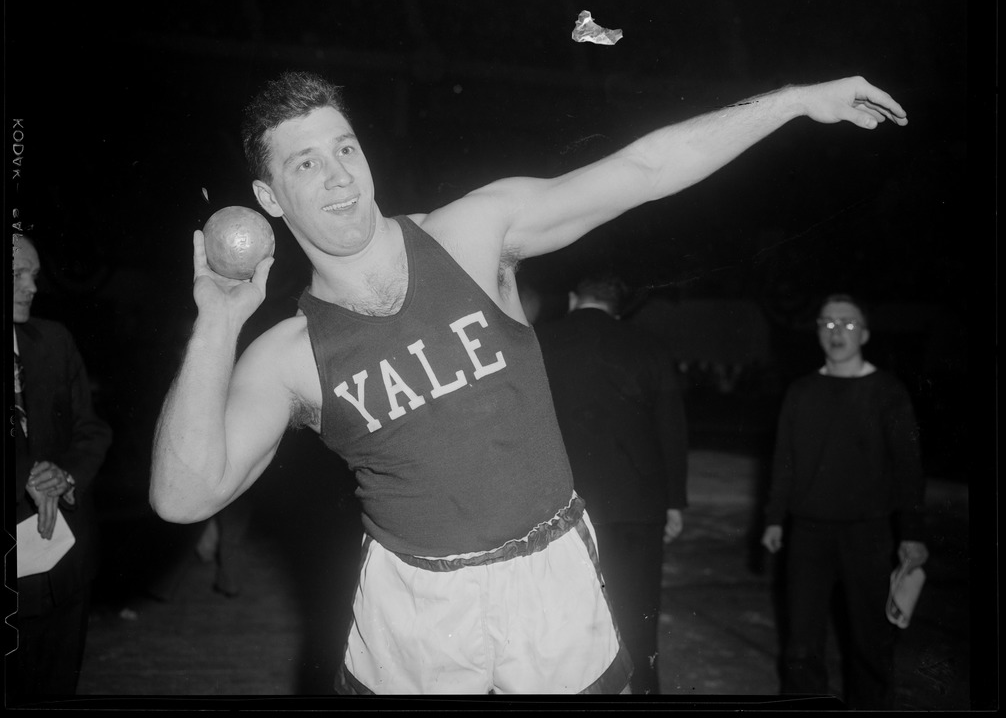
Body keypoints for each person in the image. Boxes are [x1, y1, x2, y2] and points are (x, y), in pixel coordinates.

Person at [149, 70, 908, 696]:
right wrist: (216, 320)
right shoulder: (288, 355)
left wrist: (797, 101)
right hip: (416, 607)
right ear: (271, 199)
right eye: (305, 162)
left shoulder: (474, 233)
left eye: (344, 146)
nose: (339, 174)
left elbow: (643, 171)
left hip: (549, 577)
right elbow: (184, 496)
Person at [760, 293, 928, 709]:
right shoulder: (802, 391)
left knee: (871, 642)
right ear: (817, 330)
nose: (837, 332)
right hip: (808, 534)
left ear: (866, 333)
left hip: (867, 533)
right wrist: (774, 519)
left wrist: (911, 533)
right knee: (801, 645)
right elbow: (784, 460)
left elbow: (908, 467)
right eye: (827, 323)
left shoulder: (887, 391)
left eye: (848, 324)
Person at [536, 274, 688, 695]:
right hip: (638, 510)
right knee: (639, 618)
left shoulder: (540, 341)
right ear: (617, 306)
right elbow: (671, 428)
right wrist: (674, 501)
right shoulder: (647, 345)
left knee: (568, 625)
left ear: (572, 298)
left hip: (564, 511)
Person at [9, 234, 112, 703]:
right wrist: (25, 476)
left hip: (65, 567)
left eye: (32, 274)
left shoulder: (53, 340)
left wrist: (64, 474)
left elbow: (90, 430)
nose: (30, 287)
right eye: (16, 275)